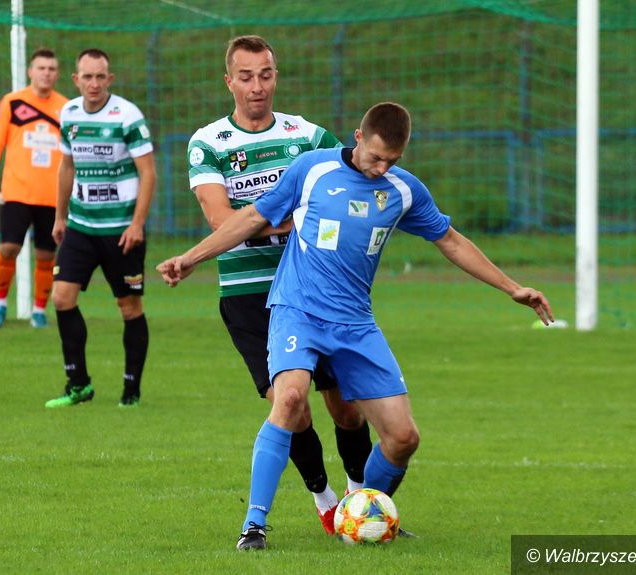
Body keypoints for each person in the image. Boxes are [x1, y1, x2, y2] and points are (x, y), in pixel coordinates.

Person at [159, 102, 554, 550]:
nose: (381, 168)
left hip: (355, 324)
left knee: (403, 438)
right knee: (290, 399)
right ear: (358, 137)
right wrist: (190, 258)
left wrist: (512, 288)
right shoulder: (312, 169)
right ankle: (254, 526)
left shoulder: (404, 189)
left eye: (392, 160)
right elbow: (252, 217)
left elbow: (450, 240)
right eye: (376, 157)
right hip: (297, 310)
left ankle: (363, 511)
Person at [186, 35, 373, 535]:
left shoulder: (308, 137)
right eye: (246, 77)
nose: (257, 86)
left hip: (316, 288)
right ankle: (325, 499)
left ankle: (363, 502)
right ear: (229, 81)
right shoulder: (209, 143)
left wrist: (270, 222)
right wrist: (290, 221)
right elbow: (221, 220)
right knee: (290, 405)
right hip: (248, 294)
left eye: (265, 75)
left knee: (346, 406)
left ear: (276, 77)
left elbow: (345, 192)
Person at [45, 48, 155, 409]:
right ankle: (78, 384)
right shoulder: (69, 113)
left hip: (121, 230)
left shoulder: (127, 116)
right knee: (61, 298)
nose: (94, 83)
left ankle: (131, 390)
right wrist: (60, 217)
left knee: (129, 307)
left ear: (110, 79)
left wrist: (137, 224)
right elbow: (67, 166)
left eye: (100, 76)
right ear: (76, 79)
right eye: (87, 77)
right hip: (81, 226)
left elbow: (148, 172)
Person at [0, 48, 69, 329]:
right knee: (9, 248)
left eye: (51, 69)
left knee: (46, 255)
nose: (46, 73)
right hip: (16, 192)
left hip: (52, 196)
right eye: (41, 68)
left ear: (57, 74)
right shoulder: (12, 102)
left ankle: (39, 310)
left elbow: (75, 153)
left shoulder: (67, 108)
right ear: (30, 71)